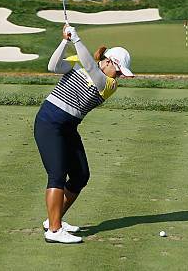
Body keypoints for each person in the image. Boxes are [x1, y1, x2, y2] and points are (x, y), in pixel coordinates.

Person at [35, 24, 134, 244]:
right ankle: (53, 230)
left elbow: (90, 68)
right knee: (57, 175)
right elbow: (53, 66)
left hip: (68, 127)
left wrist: (77, 39)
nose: (118, 76)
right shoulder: (82, 65)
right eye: (118, 70)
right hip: (49, 123)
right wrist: (65, 41)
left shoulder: (108, 84)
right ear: (108, 62)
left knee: (80, 175)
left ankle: (55, 218)